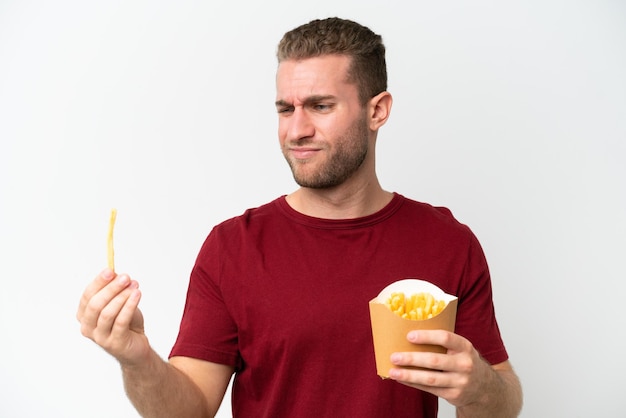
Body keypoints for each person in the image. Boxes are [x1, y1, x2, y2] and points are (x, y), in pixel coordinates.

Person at [77, 17, 523, 418]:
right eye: (285, 109)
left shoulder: (447, 242)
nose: (296, 130)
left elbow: (501, 401)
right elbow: (188, 412)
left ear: (377, 110)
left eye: (320, 106)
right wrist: (136, 358)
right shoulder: (233, 247)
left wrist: (480, 388)